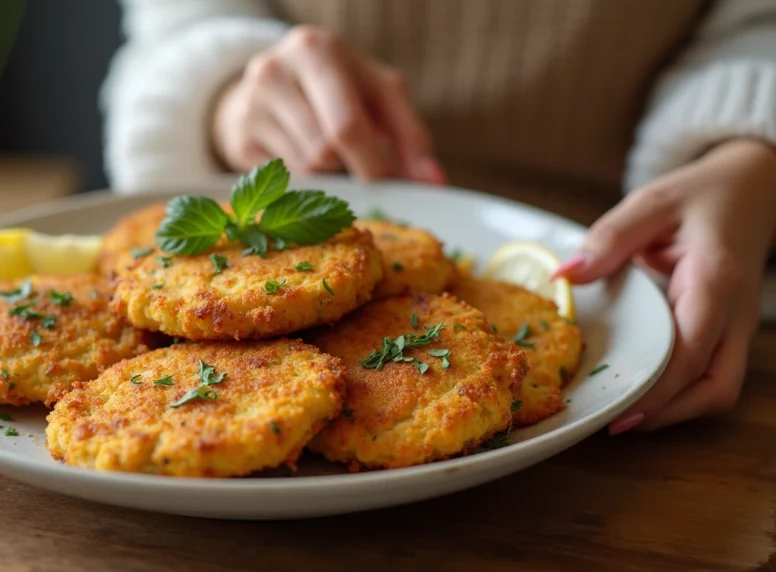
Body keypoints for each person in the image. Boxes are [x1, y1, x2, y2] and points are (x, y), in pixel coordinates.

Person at [101, 0, 776, 434]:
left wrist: (752, 157)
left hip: (631, 266)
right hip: (286, 198)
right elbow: (176, 25)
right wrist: (222, 94)